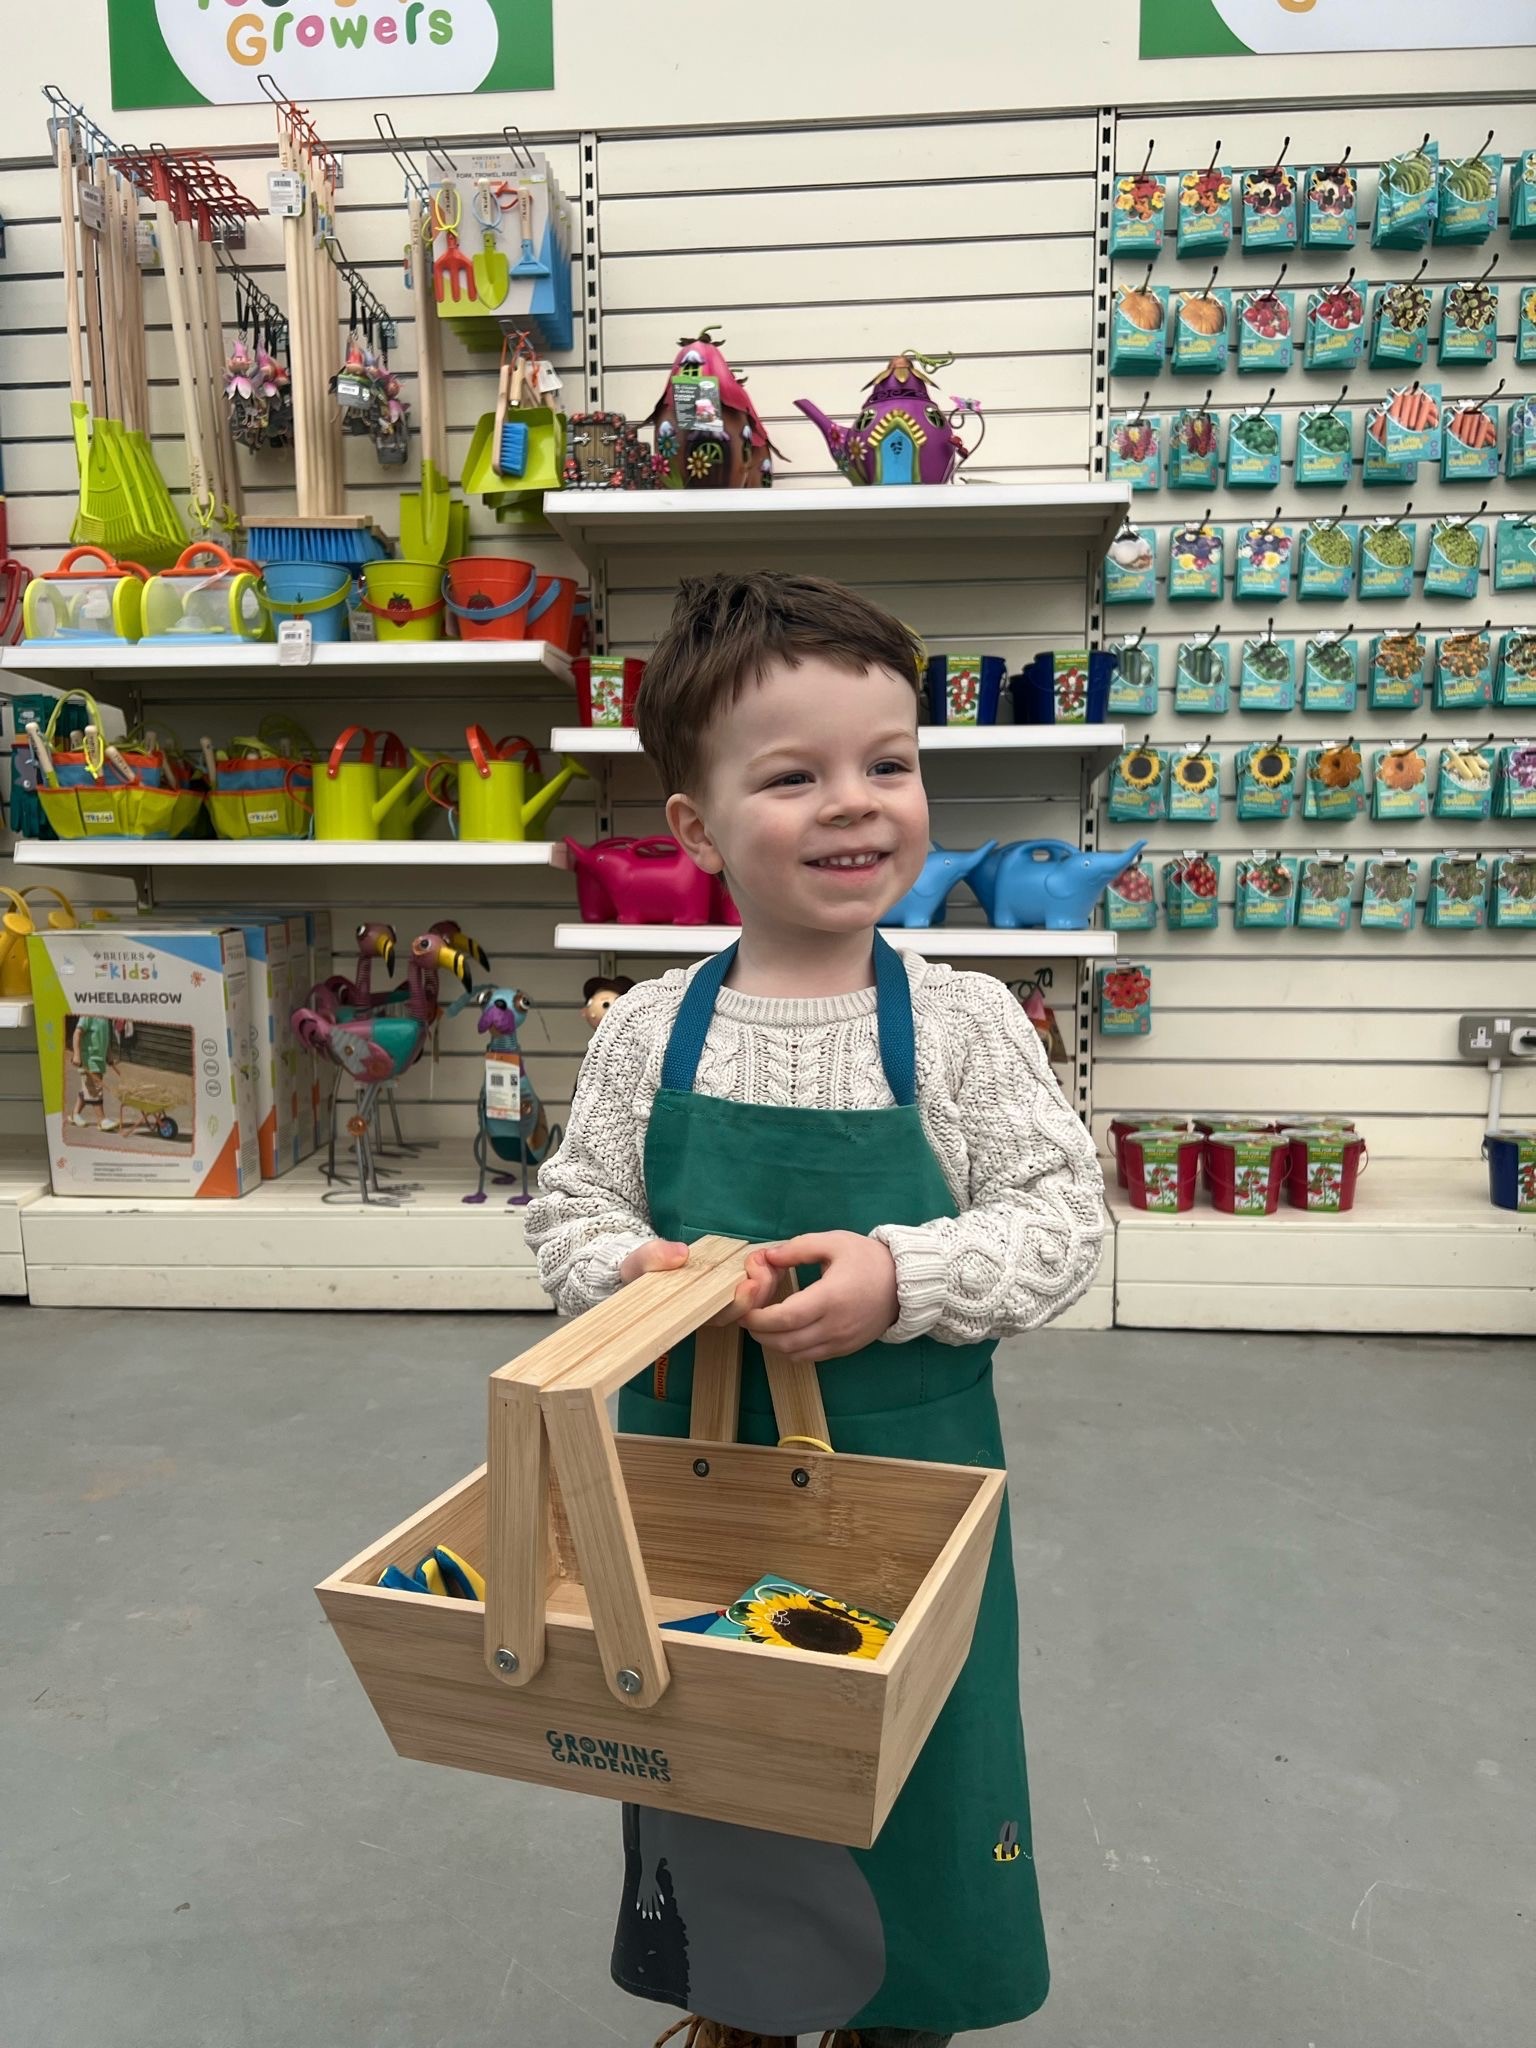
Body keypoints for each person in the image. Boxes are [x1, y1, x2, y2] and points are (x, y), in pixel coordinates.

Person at [526, 572, 1106, 2048]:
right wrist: (631, 1275)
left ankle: (901, 2017)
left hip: (907, 1492)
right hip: (692, 1482)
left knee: (916, 1763)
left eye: (889, 764)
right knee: (714, 1752)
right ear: (696, 829)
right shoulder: (649, 1028)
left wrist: (901, 1275)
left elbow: (1061, 1219)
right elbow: (573, 1202)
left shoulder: (965, 1021)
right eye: (794, 777)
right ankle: (739, 2007)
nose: (857, 806)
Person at [69, 1013, 119, 1132]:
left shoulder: (105, 1018)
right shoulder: (88, 1015)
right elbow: (77, 1034)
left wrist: (109, 1055)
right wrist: (76, 1054)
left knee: (88, 1089)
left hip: (99, 1060)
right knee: (95, 1089)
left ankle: (75, 1115)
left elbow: (104, 1039)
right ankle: (101, 1121)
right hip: (88, 1059)